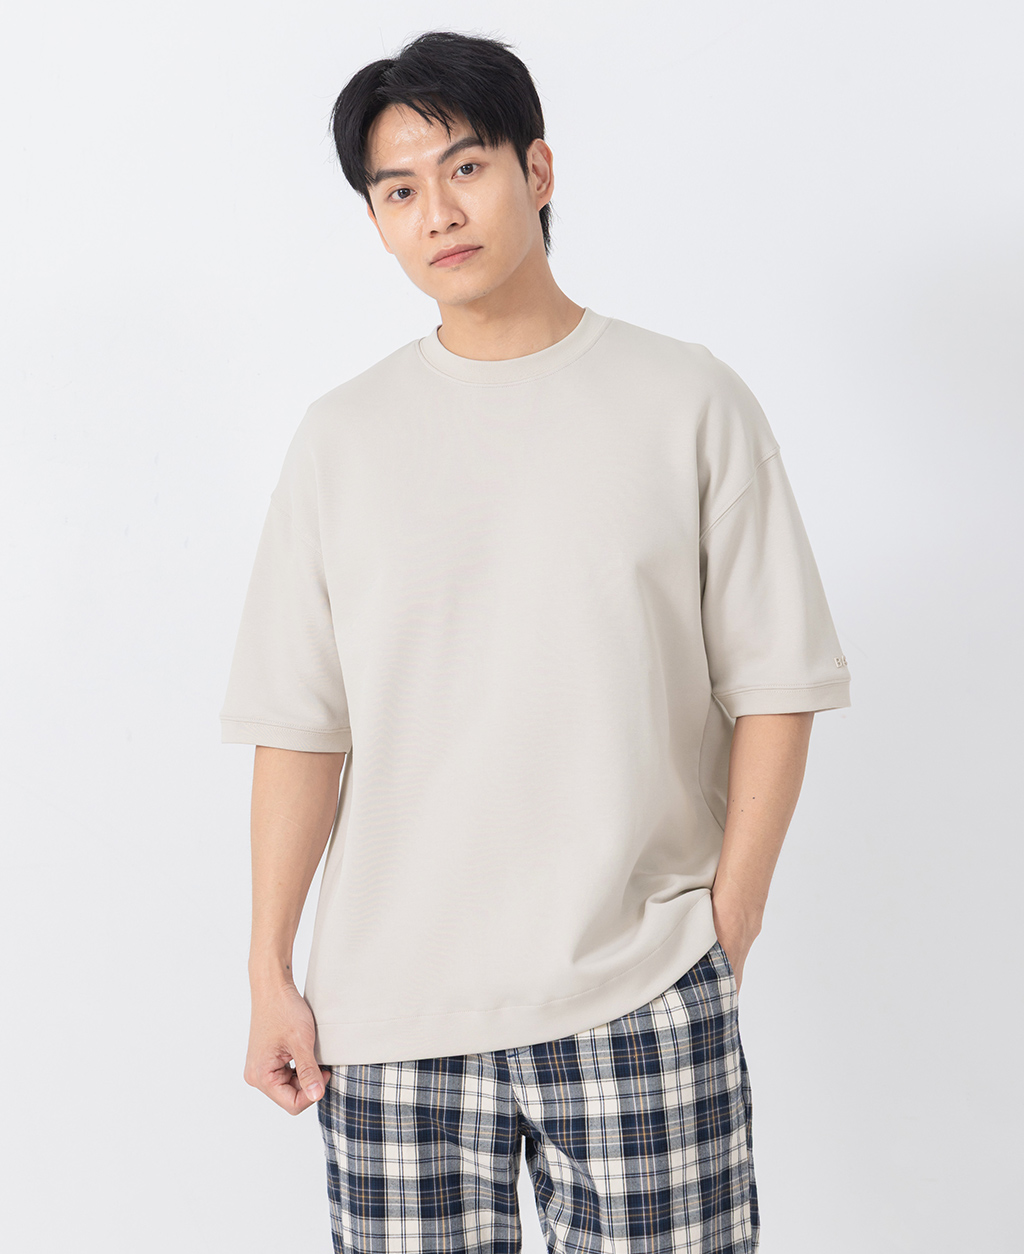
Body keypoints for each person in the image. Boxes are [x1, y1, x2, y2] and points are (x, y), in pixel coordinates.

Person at [219, 28, 851, 1254]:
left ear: (538, 170)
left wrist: (726, 927)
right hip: (388, 1018)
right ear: (376, 221)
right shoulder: (342, 440)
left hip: (639, 988)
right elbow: (299, 726)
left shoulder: (687, 400)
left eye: (465, 168)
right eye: (398, 191)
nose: (437, 213)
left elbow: (778, 683)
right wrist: (268, 972)